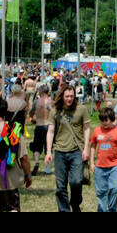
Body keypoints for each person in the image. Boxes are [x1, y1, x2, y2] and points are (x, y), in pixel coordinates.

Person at [44, 82, 89, 212]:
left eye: (71, 96)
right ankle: (64, 209)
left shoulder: (82, 109)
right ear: (62, 96)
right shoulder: (55, 111)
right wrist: (48, 151)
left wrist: (86, 148)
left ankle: (75, 204)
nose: (69, 99)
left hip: (76, 151)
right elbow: (50, 131)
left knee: (76, 182)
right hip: (60, 151)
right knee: (60, 186)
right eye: (67, 96)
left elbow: (86, 129)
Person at [85, 106, 117, 212]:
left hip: (115, 166)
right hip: (100, 167)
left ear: (112, 119)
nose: (104, 123)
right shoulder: (97, 131)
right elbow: (93, 147)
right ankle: (102, 209)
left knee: (115, 189)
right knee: (101, 192)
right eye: (102, 120)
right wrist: (92, 163)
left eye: (106, 120)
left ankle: (111, 208)